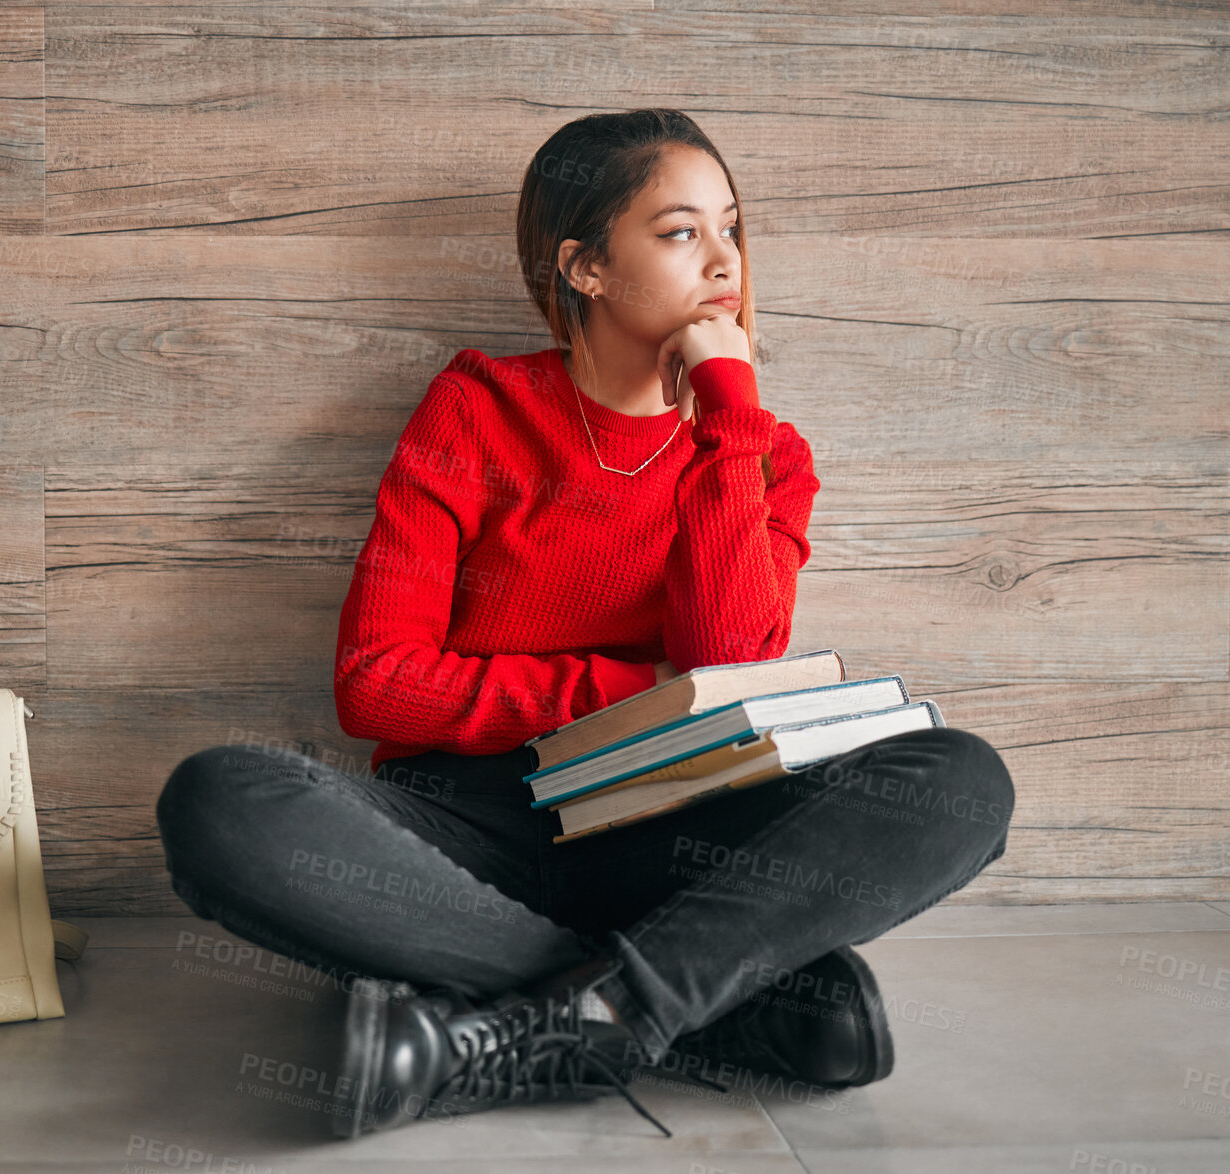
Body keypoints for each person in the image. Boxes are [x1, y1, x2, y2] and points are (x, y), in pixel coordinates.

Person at [155, 108, 1014, 1141]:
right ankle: (684, 998)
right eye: (678, 231)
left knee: (959, 777)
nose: (722, 261)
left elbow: (727, 663)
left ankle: (563, 1014)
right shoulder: (475, 410)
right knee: (222, 800)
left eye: (730, 228)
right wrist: (630, 694)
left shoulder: (764, 454)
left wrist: (725, 417)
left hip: (670, 828)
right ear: (585, 267)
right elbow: (375, 683)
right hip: (466, 831)